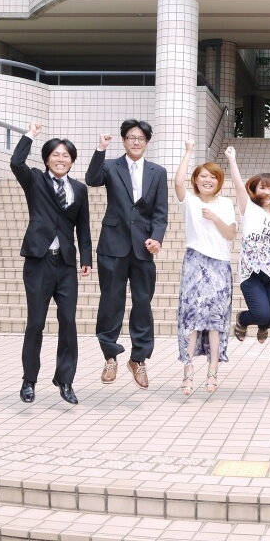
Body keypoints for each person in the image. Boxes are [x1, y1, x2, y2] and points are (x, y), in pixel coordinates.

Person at [10, 122, 92, 405]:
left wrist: (86, 258)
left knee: (68, 322)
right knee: (36, 322)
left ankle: (65, 380)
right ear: (46, 159)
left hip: (66, 264)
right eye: (56, 155)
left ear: (72, 160)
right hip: (39, 261)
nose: (61, 159)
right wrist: (30, 135)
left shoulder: (79, 189)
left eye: (66, 155)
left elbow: (83, 226)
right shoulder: (35, 180)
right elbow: (16, 162)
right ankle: (29, 380)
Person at [85, 119, 168, 390]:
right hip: (113, 245)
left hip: (143, 247)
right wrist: (100, 149)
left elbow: (160, 213)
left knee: (143, 303)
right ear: (123, 140)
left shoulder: (158, 172)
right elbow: (92, 179)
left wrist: (157, 238)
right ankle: (110, 357)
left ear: (147, 142)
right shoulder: (111, 166)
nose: (136, 142)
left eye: (141, 138)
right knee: (111, 301)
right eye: (131, 137)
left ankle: (139, 359)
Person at [173, 141, 236, 395]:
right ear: (196, 180)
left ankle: (212, 373)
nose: (208, 180)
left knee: (215, 322)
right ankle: (188, 373)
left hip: (220, 265)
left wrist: (215, 217)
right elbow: (178, 183)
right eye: (203, 176)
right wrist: (188, 152)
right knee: (192, 319)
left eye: (213, 177)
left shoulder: (226, 203)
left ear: (219, 181)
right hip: (195, 263)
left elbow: (230, 234)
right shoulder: (189, 201)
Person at [224, 146, 270, 344]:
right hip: (251, 272)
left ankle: (263, 325)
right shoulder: (249, 208)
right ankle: (242, 319)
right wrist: (232, 160)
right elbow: (238, 185)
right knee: (261, 314)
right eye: (262, 187)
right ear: (255, 189)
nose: (267, 192)